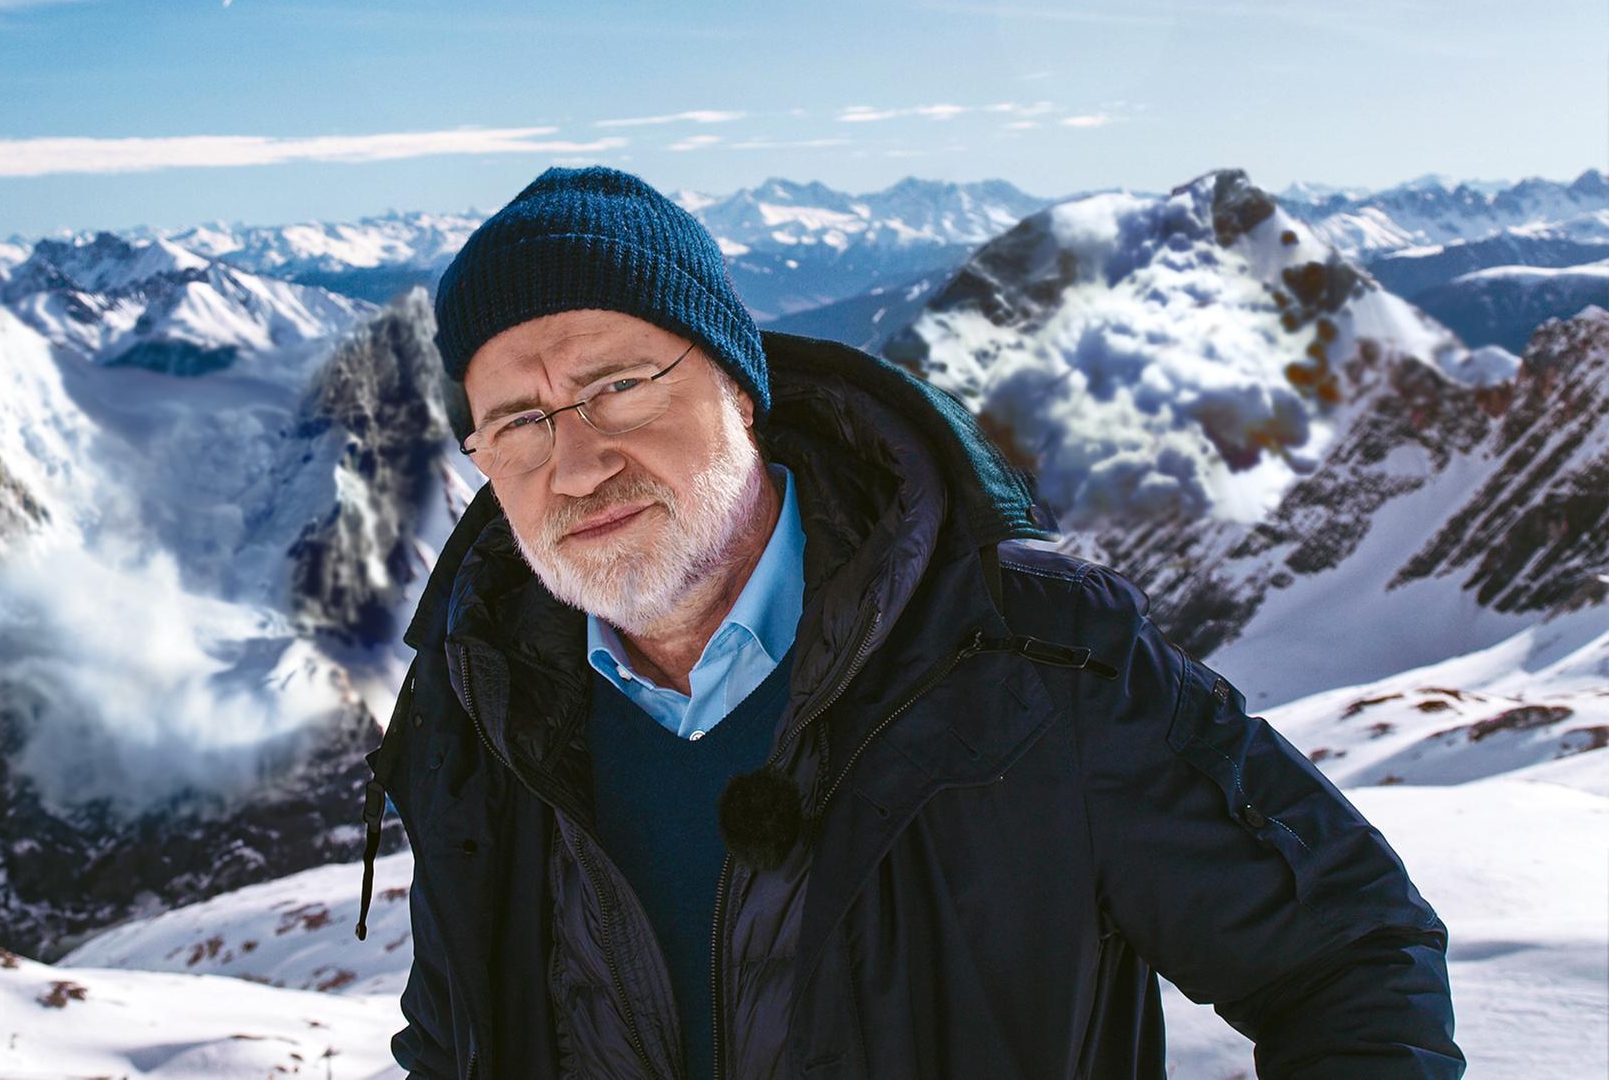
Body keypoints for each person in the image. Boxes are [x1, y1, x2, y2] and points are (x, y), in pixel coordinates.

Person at [351, 166, 1461, 1079]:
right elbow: (458, 1051)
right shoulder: (478, 716)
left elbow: (1352, 953)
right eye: (521, 424)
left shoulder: (1028, 657)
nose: (580, 463)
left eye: (620, 387)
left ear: (740, 386)